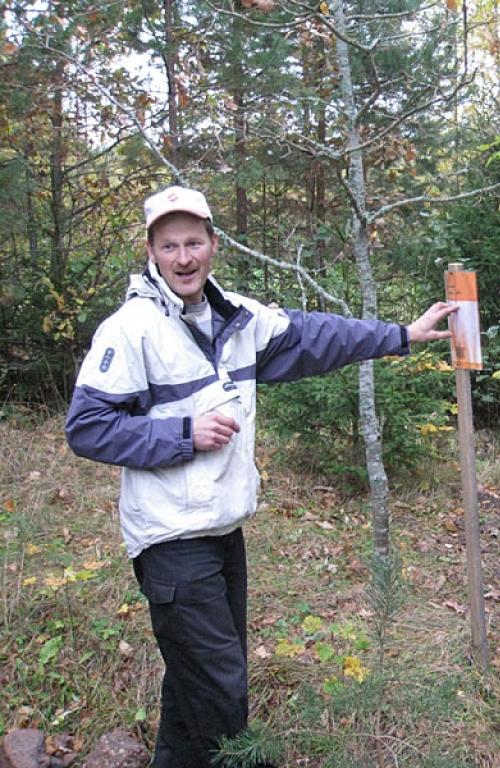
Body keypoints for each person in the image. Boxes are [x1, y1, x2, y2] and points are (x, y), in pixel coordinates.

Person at [64, 185, 456, 767]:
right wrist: (181, 434)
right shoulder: (132, 328)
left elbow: (317, 337)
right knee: (220, 683)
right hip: (171, 541)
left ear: (214, 244)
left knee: (195, 679)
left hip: (221, 532)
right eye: (169, 246)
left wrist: (401, 335)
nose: (183, 257)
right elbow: (87, 427)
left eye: (193, 242)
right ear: (151, 250)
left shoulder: (239, 319)